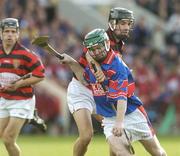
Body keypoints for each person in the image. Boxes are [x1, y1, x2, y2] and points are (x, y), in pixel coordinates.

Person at [60, 28, 167, 156]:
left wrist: (120, 122)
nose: (97, 52)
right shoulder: (92, 65)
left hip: (131, 113)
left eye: (99, 47)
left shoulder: (117, 66)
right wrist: (71, 62)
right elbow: (84, 79)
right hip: (109, 117)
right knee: (121, 152)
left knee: (158, 152)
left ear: (106, 44)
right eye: (92, 49)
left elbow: (121, 98)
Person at [66, 7, 135, 156]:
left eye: (128, 24)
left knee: (115, 134)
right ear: (112, 23)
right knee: (86, 136)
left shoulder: (119, 44)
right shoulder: (101, 37)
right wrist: (96, 68)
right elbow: (88, 53)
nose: (125, 27)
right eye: (122, 23)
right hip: (82, 89)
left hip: (101, 92)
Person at [0, 18, 45, 156]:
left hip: (22, 100)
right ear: (1, 33)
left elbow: (40, 75)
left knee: (8, 139)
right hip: (3, 99)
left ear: (18, 34)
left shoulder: (26, 55)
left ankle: (30, 115)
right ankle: (31, 118)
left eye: (13, 32)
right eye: (6, 31)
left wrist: (18, 84)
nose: (9, 35)